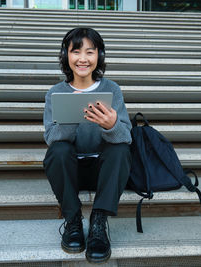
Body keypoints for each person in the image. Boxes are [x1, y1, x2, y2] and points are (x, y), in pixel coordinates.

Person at [43, 27, 132, 264]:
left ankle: (98, 223)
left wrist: (111, 125)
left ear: (99, 57)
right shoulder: (55, 93)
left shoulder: (111, 89)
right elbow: (51, 138)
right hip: (71, 171)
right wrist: (71, 118)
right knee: (58, 150)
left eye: (90, 52)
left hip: (103, 171)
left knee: (121, 148)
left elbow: (126, 136)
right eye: (76, 52)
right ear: (66, 56)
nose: (83, 59)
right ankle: (73, 221)